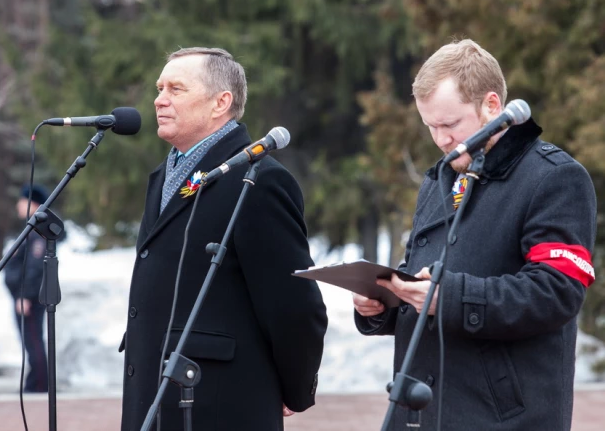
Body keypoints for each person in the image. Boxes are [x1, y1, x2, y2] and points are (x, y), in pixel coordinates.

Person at [353, 39, 596, 430]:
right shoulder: (439, 179)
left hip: (501, 417)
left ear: (492, 106)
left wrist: (446, 298)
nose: (440, 140)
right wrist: (384, 304)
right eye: (430, 126)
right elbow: (426, 274)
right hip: (420, 413)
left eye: (450, 124)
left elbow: (557, 292)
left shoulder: (555, 178)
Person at [119, 47, 328, 431]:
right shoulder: (163, 177)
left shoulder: (259, 180)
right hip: (154, 395)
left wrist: (295, 387)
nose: (159, 99)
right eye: (159, 87)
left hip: (219, 401)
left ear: (221, 102)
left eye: (176, 89)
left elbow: (294, 303)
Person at [4, 184, 50, 393]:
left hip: (28, 298)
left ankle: (39, 383)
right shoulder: (30, 229)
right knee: (30, 340)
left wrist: (24, 296)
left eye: (22, 201)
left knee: (33, 339)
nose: (18, 206)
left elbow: (35, 267)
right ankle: (36, 381)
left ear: (33, 204)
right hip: (23, 296)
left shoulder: (37, 231)